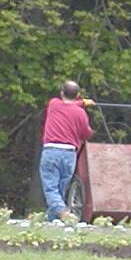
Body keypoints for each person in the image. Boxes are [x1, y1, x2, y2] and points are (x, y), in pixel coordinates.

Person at [39, 80, 93, 222]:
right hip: (70, 154)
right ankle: (52, 220)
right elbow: (86, 134)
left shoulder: (54, 104)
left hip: (51, 151)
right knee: (61, 189)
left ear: (61, 93)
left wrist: (82, 102)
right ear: (78, 95)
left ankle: (62, 211)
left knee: (51, 188)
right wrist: (83, 103)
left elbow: (67, 105)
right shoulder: (81, 114)